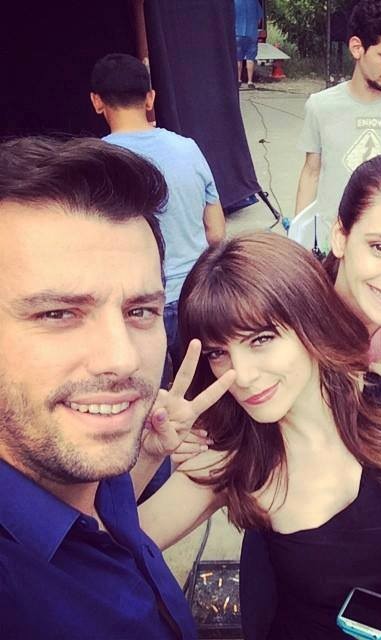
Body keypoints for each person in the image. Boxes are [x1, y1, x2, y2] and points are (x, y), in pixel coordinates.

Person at [139, 232, 381, 640]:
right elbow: (107, 547)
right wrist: (146, 455)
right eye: (218, 353)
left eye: (260, 340)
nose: (242, 375)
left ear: (309, 319)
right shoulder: (233, 456)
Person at [0, 136, 232, 639]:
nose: (123, 359)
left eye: (140, 311)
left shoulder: (93, 472)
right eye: (58, 313)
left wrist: (146, 457)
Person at [91, 53, 225, 382]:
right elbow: (216, 232)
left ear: (97, 101)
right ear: (150, 98)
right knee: (202, 391)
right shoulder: (189, 149)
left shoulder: (95, 164)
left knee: (153, 396)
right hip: (195, 296)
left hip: (137, 307)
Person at [293, 0, 381, 252]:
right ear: (357, 48)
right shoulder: (320, 106)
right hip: (332, 245)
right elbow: (311, 173)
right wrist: (298, 242)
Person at [234, 0, 263, 89]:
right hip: (252, 33)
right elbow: (260, 17)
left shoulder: (234, 2)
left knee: (238, 58)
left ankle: (238, 80)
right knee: (250, 57)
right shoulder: (254, 1)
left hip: (238, 32)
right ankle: (250, 81)